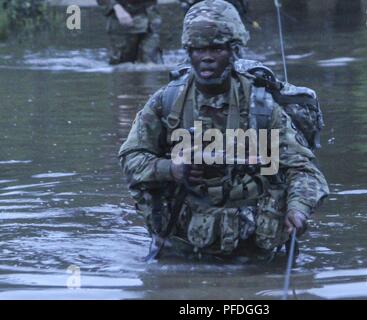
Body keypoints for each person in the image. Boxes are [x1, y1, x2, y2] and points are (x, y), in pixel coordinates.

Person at [119, 0, 329, 262]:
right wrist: (171, 169)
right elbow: (131, 158)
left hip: (253, 244)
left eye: (216, 48)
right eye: (199, 49)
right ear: (189, 52)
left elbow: (303, 170)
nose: (207, 56)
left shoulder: (261, 107)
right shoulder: (168, 102)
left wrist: (298, 209)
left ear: (233, 51)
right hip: (182, 241)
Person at [97, 0, 163, 65]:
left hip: (151, 19)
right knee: (122, 66)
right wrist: (117, 7)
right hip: (124, 21)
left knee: (151, 66)